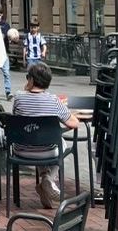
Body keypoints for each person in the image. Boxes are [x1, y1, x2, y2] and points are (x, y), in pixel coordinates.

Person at [11, 61, 79, 209]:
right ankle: (48, 179)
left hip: (21, 150)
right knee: (59, 142)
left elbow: (16, 118)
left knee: (35, 136)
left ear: (31, 79)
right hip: (46, 151)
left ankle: (44, 181)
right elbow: (74, 123)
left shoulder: (18, 97)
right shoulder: (54, 100)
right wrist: (58, 127)